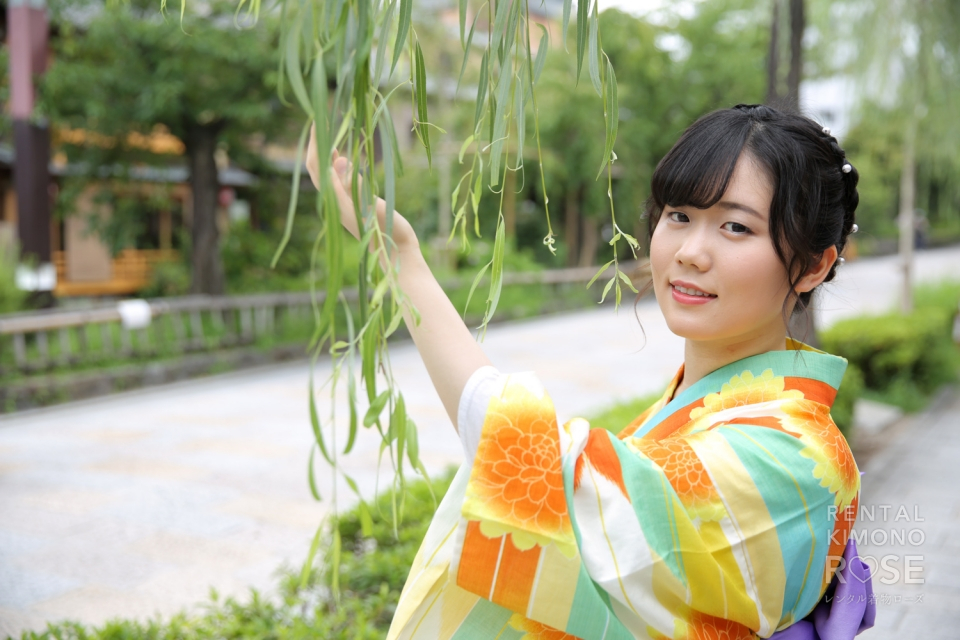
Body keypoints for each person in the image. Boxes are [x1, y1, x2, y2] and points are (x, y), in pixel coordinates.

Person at [306, 104, 875, 640]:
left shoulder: (796, 457)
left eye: (735, 228)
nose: (691, 252)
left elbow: (551, 477)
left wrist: (404, 260)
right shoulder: (700, 412)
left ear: (813, 264)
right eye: (679, 216)